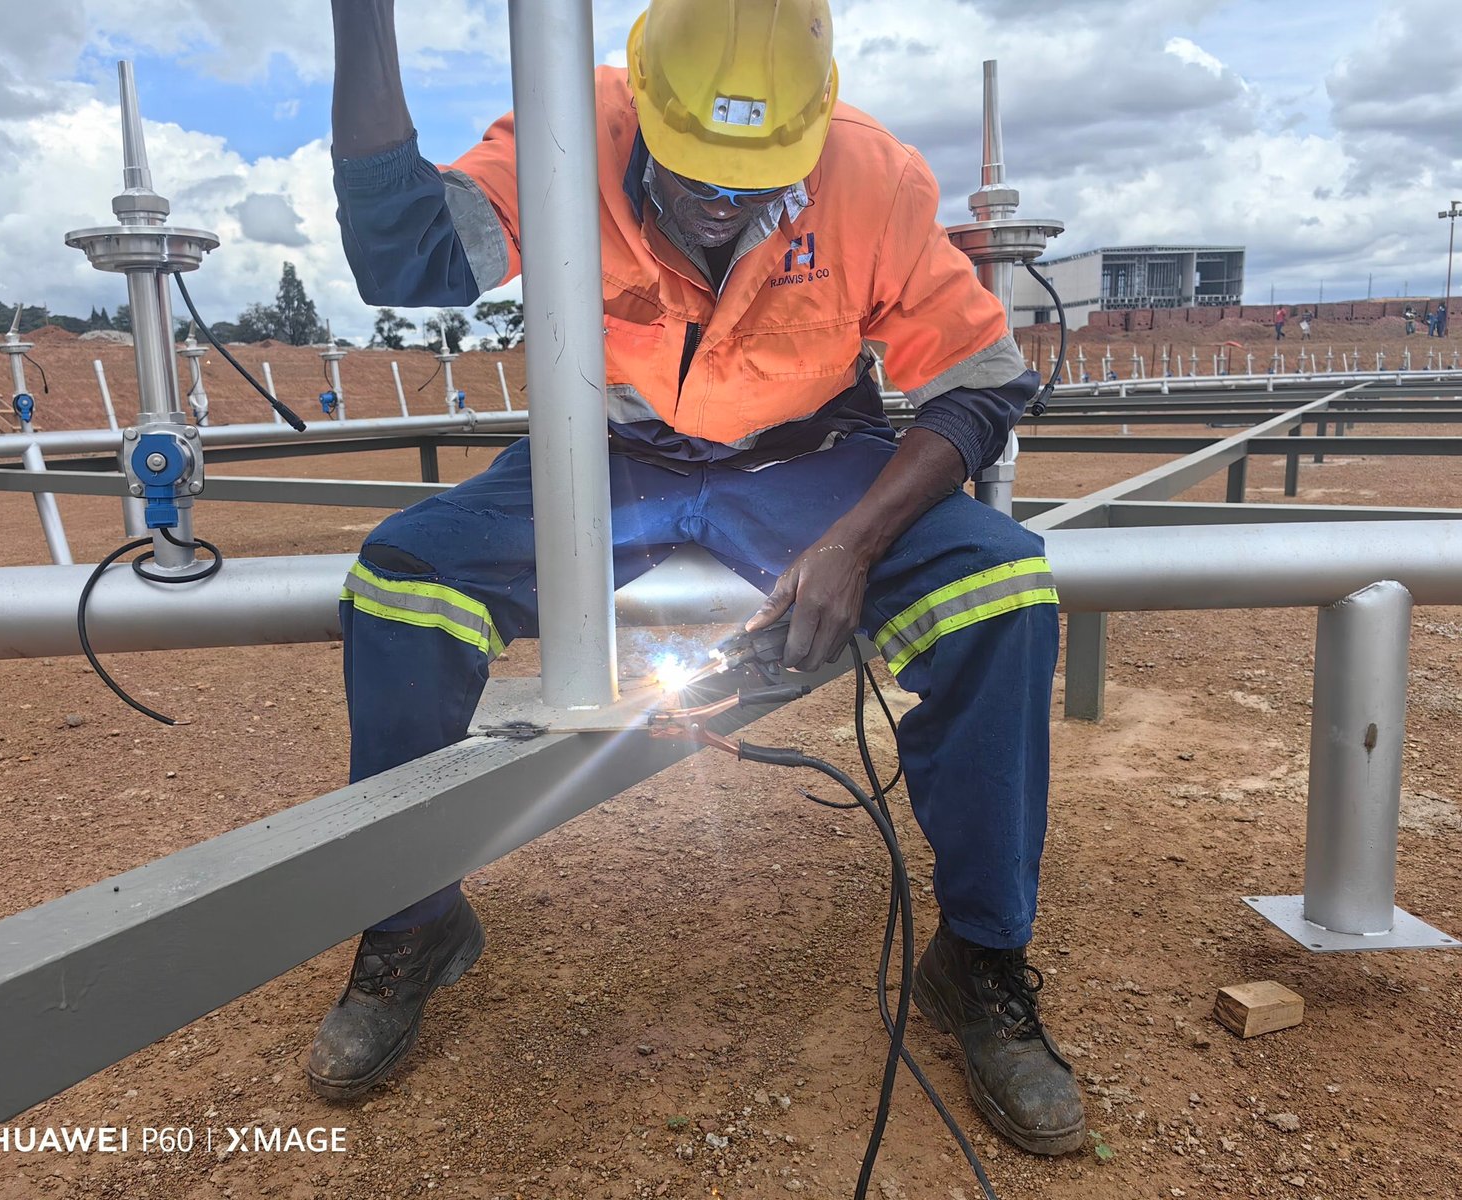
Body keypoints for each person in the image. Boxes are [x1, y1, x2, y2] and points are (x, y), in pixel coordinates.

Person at [316, 0, 1086, 1157]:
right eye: (694, 176)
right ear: (644, 116)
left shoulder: (870, 173)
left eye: (756, 179)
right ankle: (410, 923)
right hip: (602, 455)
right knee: (402, 581)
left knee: (1002, 591)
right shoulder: (572, 128)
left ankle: (980, 956)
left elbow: (980, 383)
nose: (724, 205)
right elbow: (408, 256)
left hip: (811, 462)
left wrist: (855, 541)